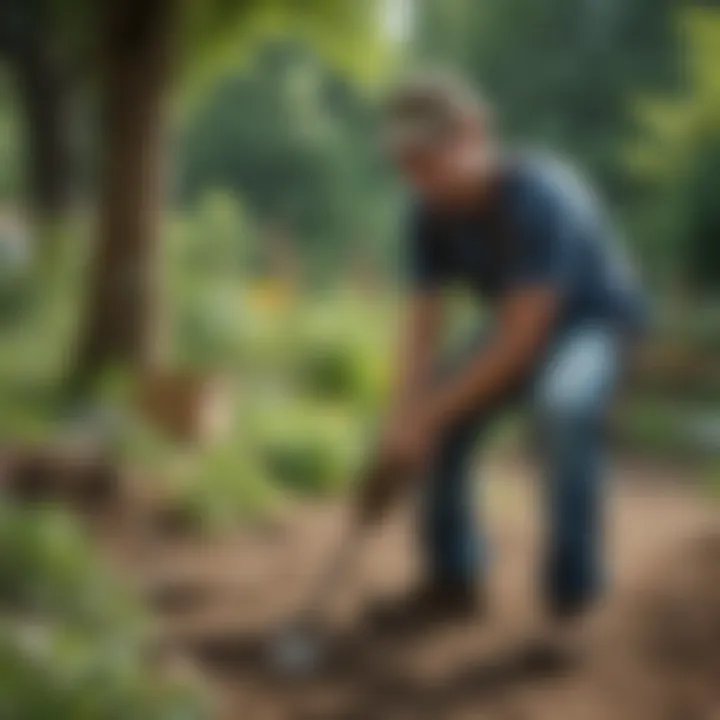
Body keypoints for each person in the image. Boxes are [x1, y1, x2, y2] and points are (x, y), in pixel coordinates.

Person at [359, 72, 648, 633]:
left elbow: (521, 342)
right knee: (435, 416)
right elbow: (422, 326)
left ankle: (573, 595)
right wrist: (404, 419)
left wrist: (429, 413)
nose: (415, 176)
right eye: (404, 163)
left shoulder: (542, 195)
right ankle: (453, 579)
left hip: (592, 325)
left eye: (426, 158)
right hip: (516, 322)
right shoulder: (426, 214)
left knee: (563, 407)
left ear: (472, 134)